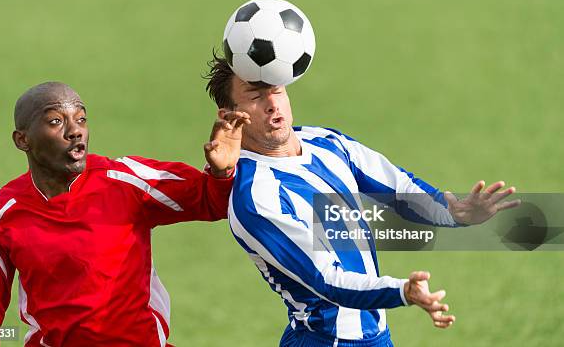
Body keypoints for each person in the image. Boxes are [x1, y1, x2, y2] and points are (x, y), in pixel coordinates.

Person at [204, 55, 520, 347]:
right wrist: (401, 291)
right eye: (257, 96)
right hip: (327, 341)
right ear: (230, 117)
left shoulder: (325, 142)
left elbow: (396, 188)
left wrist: (453, 211)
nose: (273, 104)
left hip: (374, 337)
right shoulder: (255, 199)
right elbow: (326, 279)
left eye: (277, 90)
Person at [0, 81, 250, 346]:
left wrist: (222, 173)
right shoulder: (2, 210)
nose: (75, 130)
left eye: (81, 119)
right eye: (56, 121)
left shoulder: (125, 181)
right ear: (22, 140)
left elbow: (210, 201)